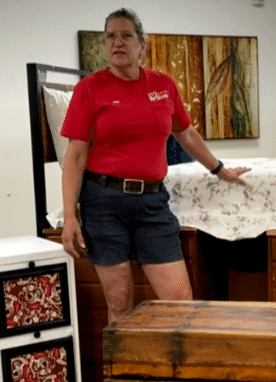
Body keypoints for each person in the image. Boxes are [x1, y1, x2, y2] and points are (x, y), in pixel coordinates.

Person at [60, 8, 249, 324]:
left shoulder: (163, 85)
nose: (117, 43)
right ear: (105, 45)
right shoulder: (90, 89)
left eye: (126, 36)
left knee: (180, 302)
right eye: (110, 37)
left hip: (152, 203)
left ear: (141, 46)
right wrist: (69, 215)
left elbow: (185, 133)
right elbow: (76, 155)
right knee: (120, 302)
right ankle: (125, 372)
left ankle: (175, 372)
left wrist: (220, 170)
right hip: (103, 202)